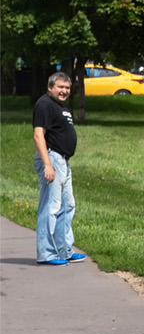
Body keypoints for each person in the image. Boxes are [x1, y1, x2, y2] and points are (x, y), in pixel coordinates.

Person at [33, 71, 85, 266]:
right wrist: (47, 164)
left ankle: (63, 250)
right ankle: (46, 253)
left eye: (67, 88)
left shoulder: (58, 106)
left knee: (67, 206)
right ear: (50, 87)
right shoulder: (44, 104)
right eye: (60, 87)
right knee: (50, 207)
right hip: (52, 159)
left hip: (63, 161)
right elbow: (39, 136)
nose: (64, 91)